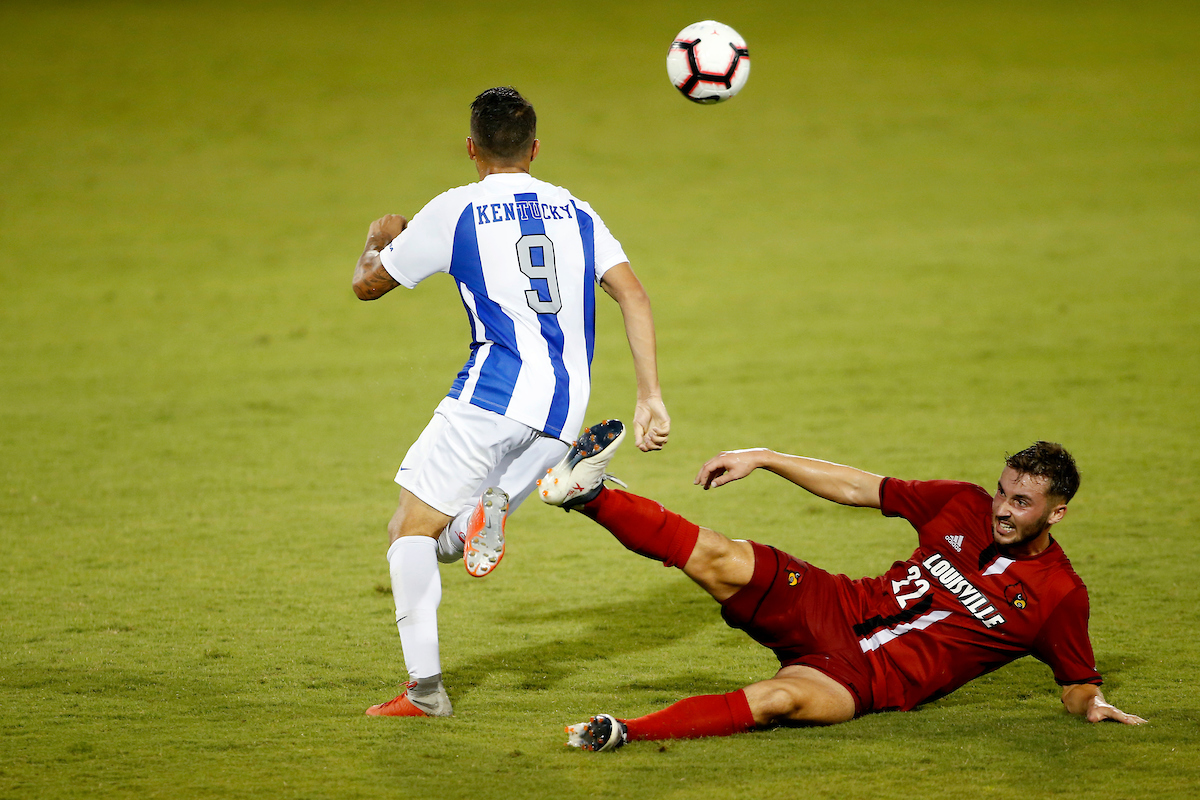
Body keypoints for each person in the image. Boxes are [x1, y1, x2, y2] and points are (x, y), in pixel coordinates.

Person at [352, 88, 670, 718]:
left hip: (492, 394)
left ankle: (425, 692)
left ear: (471, 147)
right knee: (444, 536)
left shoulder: (455, 209)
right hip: (563, 411)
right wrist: (649, 396)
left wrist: (378, 236)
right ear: (535, 149)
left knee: (406, 532)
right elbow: (634, 296)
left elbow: (368, 286)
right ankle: (512, 500)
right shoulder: (577, 209)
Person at [535, 422, 1145, 751]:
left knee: (775, 700)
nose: (1001, 510)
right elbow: (861, 487)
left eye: (1020, 502)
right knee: (719, 555)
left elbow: (1077, 680)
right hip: (835, 602)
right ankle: (588, 493)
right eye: (1003, 491)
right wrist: (766, 456)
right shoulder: (962, 503)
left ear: (1056, 513)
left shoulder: (1059, 595)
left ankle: (620, 732)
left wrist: (1091, 705)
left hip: (862, 682)